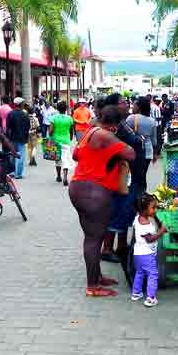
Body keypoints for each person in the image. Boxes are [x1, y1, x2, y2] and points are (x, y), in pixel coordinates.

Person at [69, 105, 135, 297]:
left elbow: (75, 155)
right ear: (114, 125)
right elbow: (130, 153)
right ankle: (92, 286)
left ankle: (97, 277)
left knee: (93, 236)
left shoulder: (90, 133)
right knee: (93, 238)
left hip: (79, 188)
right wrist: (117, 138)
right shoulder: (105, 135)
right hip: (93, 191)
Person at [101, 94, 146, 262]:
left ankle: (121, 246)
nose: (126, 104)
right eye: (122, 102)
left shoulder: (122, 124)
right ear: (113, 107)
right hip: (122, 177)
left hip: (131, 176)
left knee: (125, 212)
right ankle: (107, 249)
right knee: (117, 212)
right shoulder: (114, 129)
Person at [130, 193, 167, 308]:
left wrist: (154, 217)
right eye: (153, 208)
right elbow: (150, 239)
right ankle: (150, 298)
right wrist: (161, 231)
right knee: (153, 274)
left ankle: (136, 293)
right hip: (147, 255)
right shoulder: (145, 225)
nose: (155, 210)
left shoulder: (138, 218)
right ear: (144, 210)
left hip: (137, 254)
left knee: (140, 273)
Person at [125, 96, 159, 168]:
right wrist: (155, 153)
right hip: (148, 151)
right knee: (143, 174)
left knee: (136, 175)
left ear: (139, 107)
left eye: (134, 105)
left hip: (135, 150)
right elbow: (154, 140)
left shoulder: (131, 118)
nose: (132, 107)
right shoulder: (152, 121)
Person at [49, 101, 74, 185]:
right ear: (66, 109)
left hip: (56, 141)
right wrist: (70, 138)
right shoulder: (69, 118)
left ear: (57, 109)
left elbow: (51, 131)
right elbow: (71, 130)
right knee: (65, 159)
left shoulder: (54, 118)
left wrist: (50, 136)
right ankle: (65, 177)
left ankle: (59, 176)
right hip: (66, 141)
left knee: (58, 159)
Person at [6, 97, 31, 180]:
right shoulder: (25, 114)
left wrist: (7, 138)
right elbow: (28, 126)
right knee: (21, 155)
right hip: (22, 138)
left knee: (13, 154)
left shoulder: (10, 114)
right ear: (21, 104)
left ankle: (13, 171)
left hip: (12, 137)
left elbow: (8, 127)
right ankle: (18, 174)